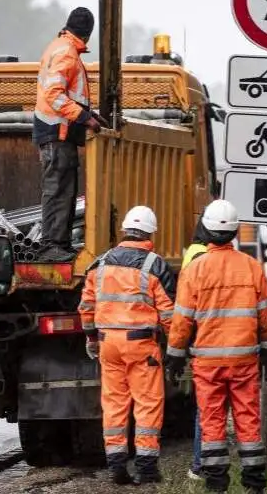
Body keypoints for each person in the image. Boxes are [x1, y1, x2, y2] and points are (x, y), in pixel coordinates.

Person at [165, 200, 267, 494]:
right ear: (235, 231)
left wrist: (175, 356)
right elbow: (266, 316)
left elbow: (182, 321)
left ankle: (216, 482)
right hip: (244, 361)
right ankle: (254, 483)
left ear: (205, 228)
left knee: (212, 420)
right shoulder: (253, 268)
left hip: (208, 364)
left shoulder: (195, 270)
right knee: (248, 419)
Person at [77, 205, 176, 485]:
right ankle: (146, 468)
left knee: (114, 404)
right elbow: (168, 314)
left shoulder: (100, 263)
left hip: (109, 344)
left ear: (124, 231)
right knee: (147, 405)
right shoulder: (154, 265)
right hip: (142, 346)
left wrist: (92, 339)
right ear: (150, 234)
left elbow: (86, 307)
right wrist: (175, 345)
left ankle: (116, 464)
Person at [34, 6, 103, 262]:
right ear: (87, 34)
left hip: (59, 131)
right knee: (58, 189)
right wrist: (84, 117)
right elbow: (54, 94)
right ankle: (51, 245)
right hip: (56, 131)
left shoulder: (60, 47)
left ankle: (58, 244)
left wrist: (89, 114)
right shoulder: (67, 53)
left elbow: (67, 93)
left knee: (65, 188)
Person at [181, 218, 211, 481]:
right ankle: (204, 464)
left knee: (207, 406)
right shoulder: (204, 259)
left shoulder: (193, 254)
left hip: (203, 343)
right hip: (214, 343)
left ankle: (202, 465)